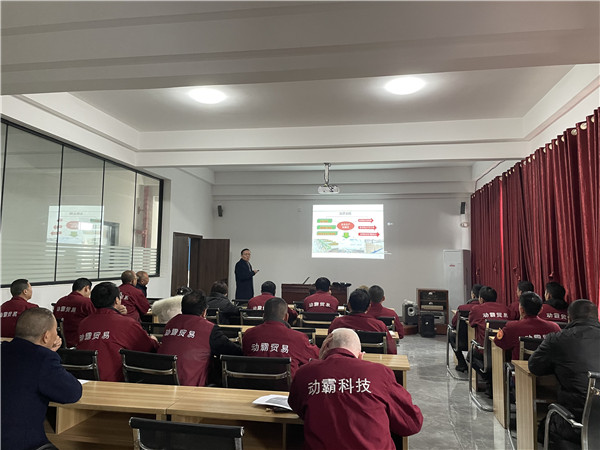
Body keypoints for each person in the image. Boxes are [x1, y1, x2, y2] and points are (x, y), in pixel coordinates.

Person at [288, 328, 423, 449]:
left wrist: (319, 362)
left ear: (325, 348)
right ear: (360, 355)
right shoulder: (379, 373)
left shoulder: (305, 373)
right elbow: (412, 423)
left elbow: (298, 407)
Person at [1, 308, 82, 450]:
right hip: (22, 444)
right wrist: (47, 354)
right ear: (46, 336)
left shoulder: (4, 350)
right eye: (56, 330)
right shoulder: (43, 359)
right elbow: (73, 393)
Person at [529, 299, 600, 448]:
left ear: (569, 318)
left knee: (544, 428)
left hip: (577, 423)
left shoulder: (558, 339)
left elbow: (534, 367)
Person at [158, 290, 242, 386]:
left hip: (161, 384)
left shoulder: (170, 324)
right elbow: (233, 351)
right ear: (204, 312)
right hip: (191, 387)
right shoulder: (209, 329)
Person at [77, 282, 159, 381]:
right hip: (116, 381)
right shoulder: (127, 323)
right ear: (117, 300)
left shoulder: (84, 323)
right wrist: (154, 340)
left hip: (84, 380)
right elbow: (148, 348)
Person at [242, 297, 319, 376]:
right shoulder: (299, 338)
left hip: (253, 382)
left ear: (263, 316)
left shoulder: (248, 334)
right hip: (287, 383)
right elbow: (316, 357)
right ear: (286, 317)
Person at [493, 291, 560, 361]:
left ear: (521, 309)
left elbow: (498, 342)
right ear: (541, 310)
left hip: (520, 367)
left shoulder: (512, 326)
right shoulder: (554, 327)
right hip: (549, 367)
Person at [328, 288, 397, 354]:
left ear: (348, 305)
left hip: (343, 360)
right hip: (372, 361)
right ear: (369, 307)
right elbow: (392, 351)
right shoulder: (379, 326)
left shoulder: (337, 323)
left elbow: (328, 344)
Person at [449, 284, 483, 372]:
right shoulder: (486, 310)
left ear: (473, 295)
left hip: (462, 342)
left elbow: (454, 323)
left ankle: (462, 363)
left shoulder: (463, 308)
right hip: (482, 343)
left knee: (450, 333)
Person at [53, 277, 95, 348]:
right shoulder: (87, 302)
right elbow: (96, 320)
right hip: (78, 343)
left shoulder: (60, 301)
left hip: (60, 344)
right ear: (86, 288)